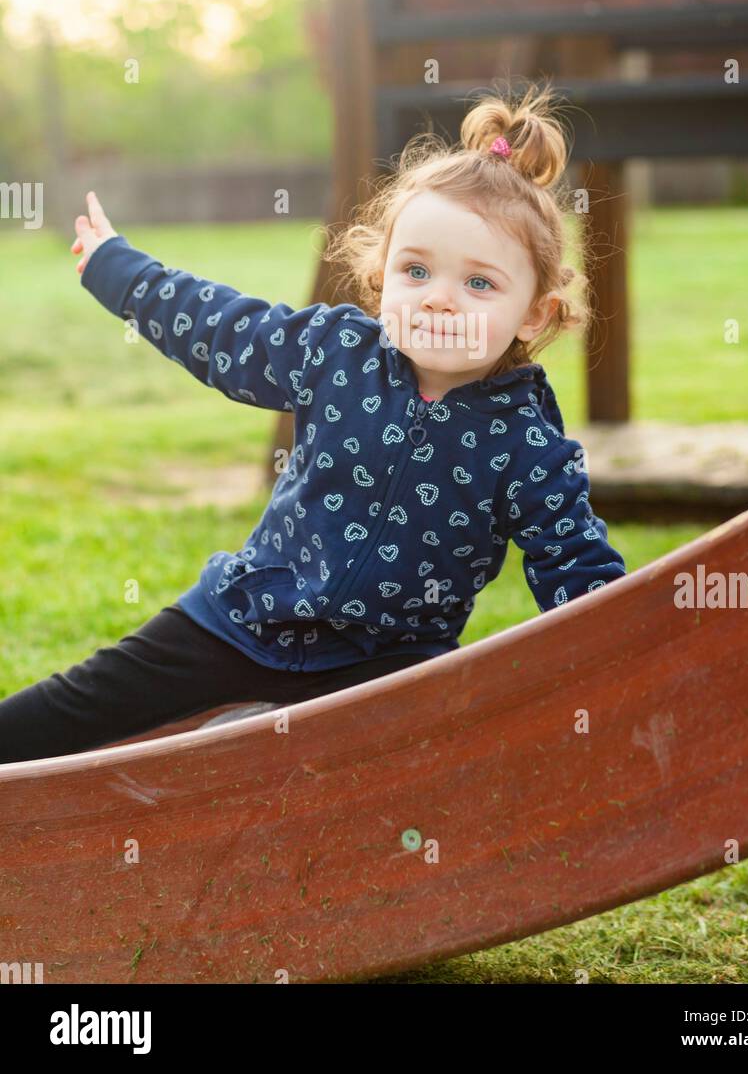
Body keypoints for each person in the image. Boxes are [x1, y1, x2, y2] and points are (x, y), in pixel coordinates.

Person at [0, 81, 626, 765]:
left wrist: (631, 669)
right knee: (81, 703)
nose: (439, 299)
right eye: (415, 270)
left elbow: (580, 575)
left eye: (479, 283)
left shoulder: (527, 445)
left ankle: (249, 744)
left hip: (387, 663)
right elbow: (224, 329)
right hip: (242, 618)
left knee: (381, 776)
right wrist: (121, 271)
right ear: (382, 278)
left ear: (534, 313)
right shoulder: (336, 353)